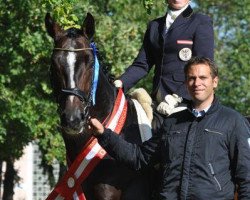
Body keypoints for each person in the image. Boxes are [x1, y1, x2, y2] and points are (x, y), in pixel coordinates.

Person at [87, 57, 250, 199]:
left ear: (215, 81)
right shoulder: (172, 123)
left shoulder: (233, 122)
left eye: (203, 77)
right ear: (186, 83)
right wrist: (103, 134)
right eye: (191, 78)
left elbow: (246, 178)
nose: (197, 83)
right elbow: (139, 158)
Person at [114, 0, 214, 115]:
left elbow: (205, 66)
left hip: (186, 101)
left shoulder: (200, 21)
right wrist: (120, 83)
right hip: (157, 100)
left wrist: (177, 97)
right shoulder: (154, 26)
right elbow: (142, 65)